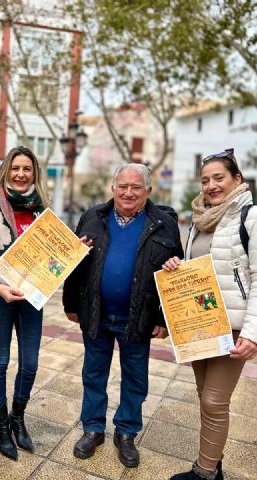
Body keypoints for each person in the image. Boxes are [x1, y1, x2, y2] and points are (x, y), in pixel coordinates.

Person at [162, 149, 257, 480]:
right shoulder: (201, 221)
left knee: (215, 401)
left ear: (237, 180)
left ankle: (204, 473)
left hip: (234, 326)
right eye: (205, 180)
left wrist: (253, 335)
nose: (211, 185)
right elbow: (201, 267)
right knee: (205, 398)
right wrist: (178, 266)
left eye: (219, 178)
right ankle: (213, 462)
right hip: (202, 323)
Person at [62, 163, 183, 468]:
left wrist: (163, 318)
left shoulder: (164, 223)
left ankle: (126, 433)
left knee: (135, 378)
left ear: (148, 192)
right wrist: (70, 304)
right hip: (96, 313)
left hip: (138, 317)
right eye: (123, 186)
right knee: (93, 374)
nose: (129, 193)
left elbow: (176, 272)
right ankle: (92, 429)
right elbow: (73, 264)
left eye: (136, 187)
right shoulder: (92, 217)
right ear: (113, 188)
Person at [0, 146, 50, 460]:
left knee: (30, 363)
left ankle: (18, 418)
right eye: (15, 168)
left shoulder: (41, 209)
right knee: (1, 360)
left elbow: (49, 255)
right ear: (6, 170)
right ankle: (1, 425)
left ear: (34, 173)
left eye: (27, 169)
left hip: (32, 296)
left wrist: (72, 249)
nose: (21, 174)